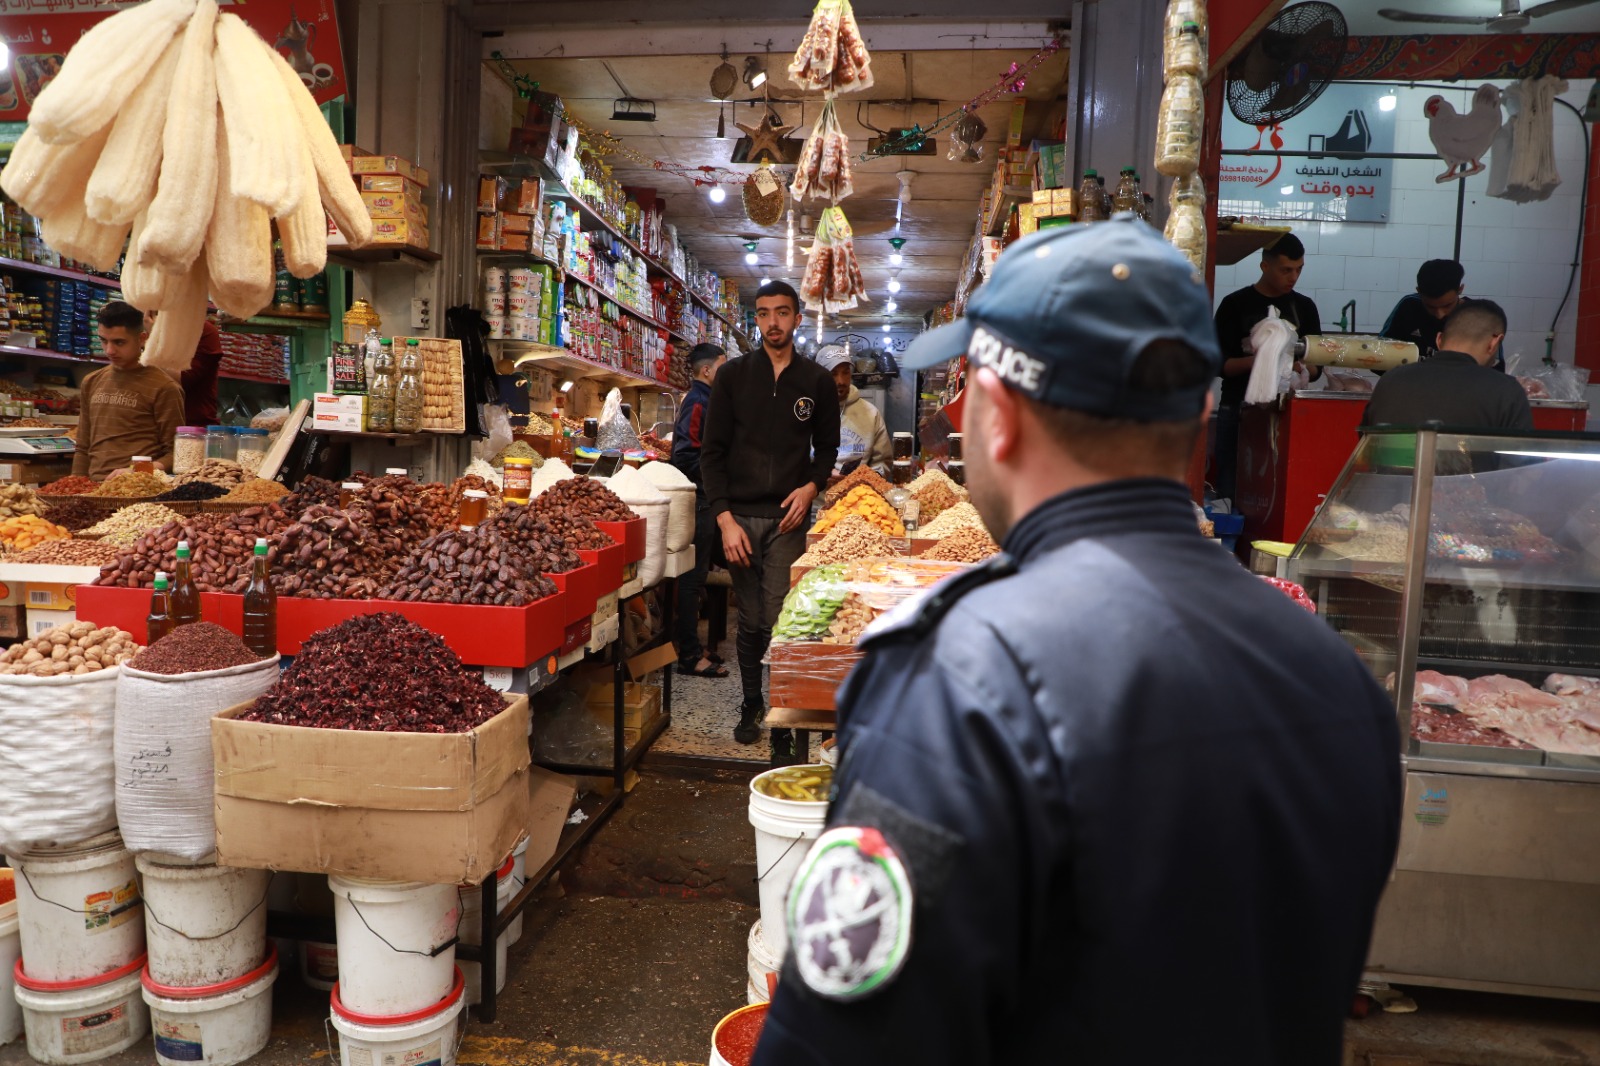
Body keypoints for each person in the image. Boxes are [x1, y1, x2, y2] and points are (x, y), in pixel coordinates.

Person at [752, 218, 1401, 1066]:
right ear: (1197, 415)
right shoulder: (1336, 676)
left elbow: (843, 1046)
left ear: (1003, 416)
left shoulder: (964, 677)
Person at [700, 281, 840, 750]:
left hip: (788, 519)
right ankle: (751, 702)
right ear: (755, 320)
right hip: (739, 518)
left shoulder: (817, 382)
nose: (773, 322)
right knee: (752, 618)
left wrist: (811, 486)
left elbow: (828, 449)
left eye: (782, 312)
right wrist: (722, 518)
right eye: (763, 314)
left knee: (782, 620)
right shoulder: (733, 377)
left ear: (798, 318)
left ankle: (781, 718)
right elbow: (711, 453)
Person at [1211, 233, 1321, 501]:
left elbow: (1317, 368)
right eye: (1286, 270)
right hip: (1237, 410)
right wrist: (1265, 361)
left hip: (1286, 412)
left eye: (1299, 269)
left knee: (1276, 489)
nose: (1293, 277)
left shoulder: (1304, 307)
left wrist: (1296, 367)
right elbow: (1219, 365)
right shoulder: (1235, 305)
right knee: (1231, 485)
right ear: (1264, 266)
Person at [1364, 300, 1530, 430]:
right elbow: (1520, 469)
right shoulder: (1506, 391)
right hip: (1472, 475)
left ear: (1439, 339)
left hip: (1392, 474)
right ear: (1494, 343)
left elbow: (1366, 444)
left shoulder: (1390, 380)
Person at [73, 301, 185, 479]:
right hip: (93, 491)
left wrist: (138, 471)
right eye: (103, 340)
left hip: (138, 492)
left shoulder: (164, 387)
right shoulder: (91, 381)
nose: (109, 350)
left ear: (142, 338)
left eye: (119, 342)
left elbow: (177, 454)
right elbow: (83, 446)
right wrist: (75, 485)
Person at [671, 342, 728, 679]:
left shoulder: (708, 401)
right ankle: (690, 655)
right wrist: (712, 485)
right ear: (707, 370)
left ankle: (692, 645)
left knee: (698, 577)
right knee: (691, 580)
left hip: (707, 497)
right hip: (700, 499)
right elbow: (686, 454)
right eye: (723, 365)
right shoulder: (697, 401)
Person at [1381, 259, 1504, 369]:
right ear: (1418, 291)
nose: (1439, 315)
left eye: (1447, 306)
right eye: (1430, 306)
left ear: (1460, 289)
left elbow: (1496, 370)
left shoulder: (1479, 317)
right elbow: (1381, 354)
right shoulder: (1409, 306)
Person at [817, 348, 892, 478]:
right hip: (816, 496)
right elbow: (794, 461)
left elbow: (883, 463)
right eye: (833, 373)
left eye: (845, 373)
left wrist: (866, 478)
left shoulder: (871, 413)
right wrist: (823, 474)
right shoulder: (807, 411)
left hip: (858, 495)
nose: (840, 381)